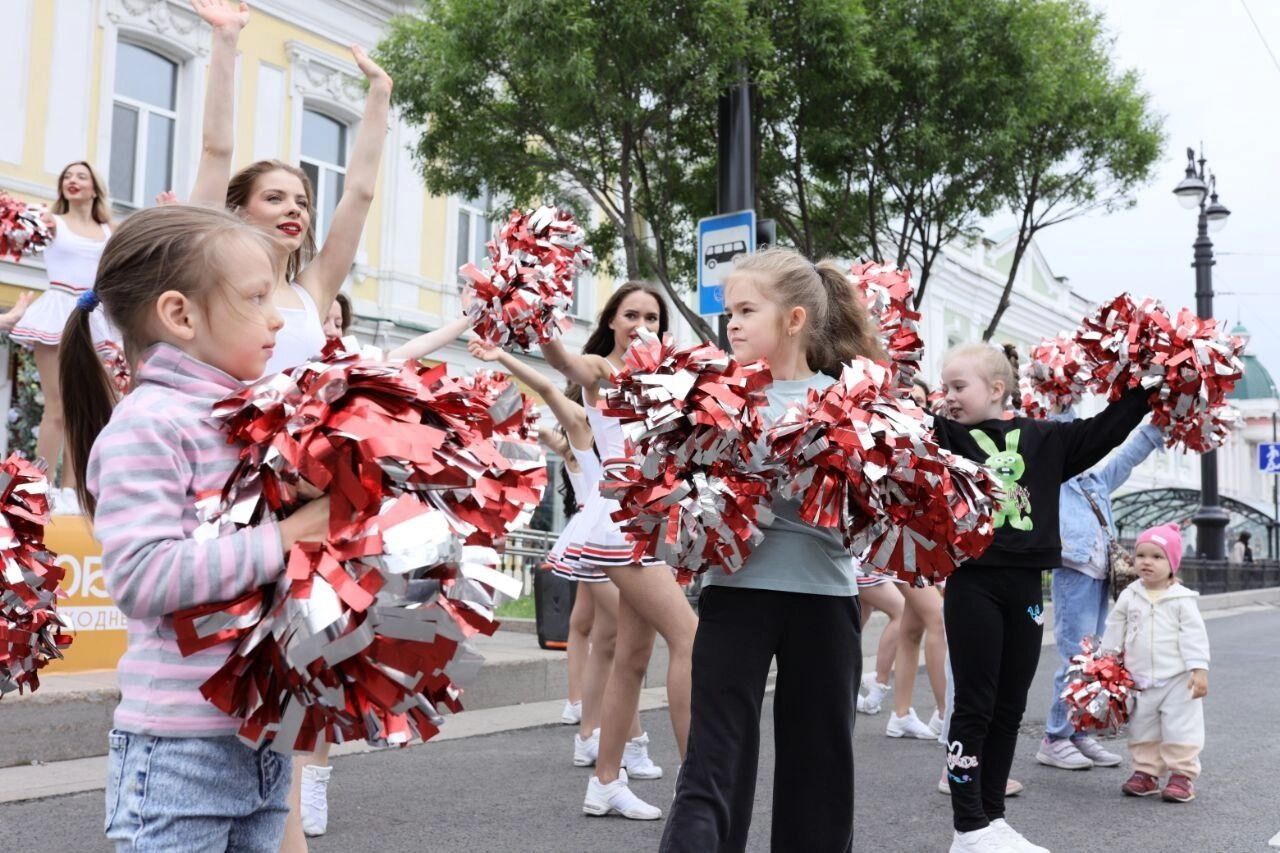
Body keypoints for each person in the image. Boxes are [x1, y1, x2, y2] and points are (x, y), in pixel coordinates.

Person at [59, 205, 330, 851]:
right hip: (179, 744)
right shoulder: (150, 424)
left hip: (259, 733)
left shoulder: (249, 421)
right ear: (181, 315)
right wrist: (288, 537)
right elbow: (143, 575)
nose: (277, 316)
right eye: (257, 297)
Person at [661, 248, 882, 852]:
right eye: (727, 311)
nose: (730, 323)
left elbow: (881, 511)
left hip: (825, 600)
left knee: (819, 768)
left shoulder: (853, 402)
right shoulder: (705, 396)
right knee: (713, 762)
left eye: (746, 310)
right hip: (736, 596)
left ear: (795, 319)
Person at [934, 342, 1150, 853]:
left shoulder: (1044, 439)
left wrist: (1148, 385)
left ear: (996, 389)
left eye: (959, 387)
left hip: (1027, 587)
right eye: (945, 387)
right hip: (973, 583)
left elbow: (1106, 430)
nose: (949, 397)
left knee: (1010, 705)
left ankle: (992, 819)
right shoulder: (942, 436)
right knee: (976, 704)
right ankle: (966, 828)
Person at [540, 282, 697, 820]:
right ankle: (699, 786)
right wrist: (535, 307)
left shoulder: (666, 376)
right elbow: (558, 356)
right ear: (611, 320)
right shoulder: (601, 370)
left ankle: (605, 783)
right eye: (630, 314)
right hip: (618, 523)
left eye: (651, 315)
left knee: (632, 656)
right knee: (690, 639)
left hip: (652, 524)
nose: (641, 324)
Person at [468, 339, 658, 779]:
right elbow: (549, 390)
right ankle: (629, 745)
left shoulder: (634, 431)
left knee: (608, 643)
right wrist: (503, 361)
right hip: (597, 541)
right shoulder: (580, 428)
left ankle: (590, 736)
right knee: (625, 642)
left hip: (622, 536)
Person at [1036, 421, 1162, 771]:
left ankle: (1078, 733)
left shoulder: (1096, 482)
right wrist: (1062, 400)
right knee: (1075, 656)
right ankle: (1054, 737)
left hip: (1098, 577)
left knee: (1095, 658)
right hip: (1073, 573)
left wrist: (1157, 429)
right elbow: (1062, 427)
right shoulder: (1058, 479)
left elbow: (1128, 457)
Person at [10, 160, 118, 508]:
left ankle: (73, 491)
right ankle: (38, 488)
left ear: (94, 187)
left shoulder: (109, 231)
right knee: (56, 407)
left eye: (81, 176)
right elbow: (17, 230)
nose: (73, 181)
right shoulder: (51, 220)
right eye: (67, 177)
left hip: (94, 316)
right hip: (56, 312)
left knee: (87, 408)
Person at [1102, 523, 1210, 803]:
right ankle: (1145, 773)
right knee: (1143, 728)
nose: (1147, 562)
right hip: (1139, 680)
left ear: (1172, 564)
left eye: (1157, 556)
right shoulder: (1130, 594)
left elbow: (1194, 636)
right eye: (1141, 555)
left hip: (1177, 679)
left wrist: (1199, 669)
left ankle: (1182, 775)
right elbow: (1115, 627)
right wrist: (1107, 661)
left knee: (1181, 728)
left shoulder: (1182, 599)